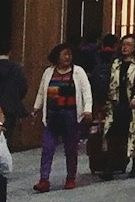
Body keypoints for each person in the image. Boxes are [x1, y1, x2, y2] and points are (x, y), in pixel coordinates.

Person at [32, 43, 93, 192]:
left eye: (69, 54)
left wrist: (87, 110)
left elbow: (86, 93)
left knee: (71, 148)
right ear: (56, 56)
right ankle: (44, 179)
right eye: (64, 54)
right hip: (52, 115)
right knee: (47, 148)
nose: (68, 57)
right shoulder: (48, 72)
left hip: (71, 115)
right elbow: (42, 92)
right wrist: (36, 108)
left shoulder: (78, 72)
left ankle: (70, 177)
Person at [104, 34, 135, 179]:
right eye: (123, 44)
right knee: (112, 135)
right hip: (117, 104)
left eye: (129, 44)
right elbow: (111, 82)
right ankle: (110, 166)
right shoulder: (116, 63)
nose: (125, 47)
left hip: (134, 107)